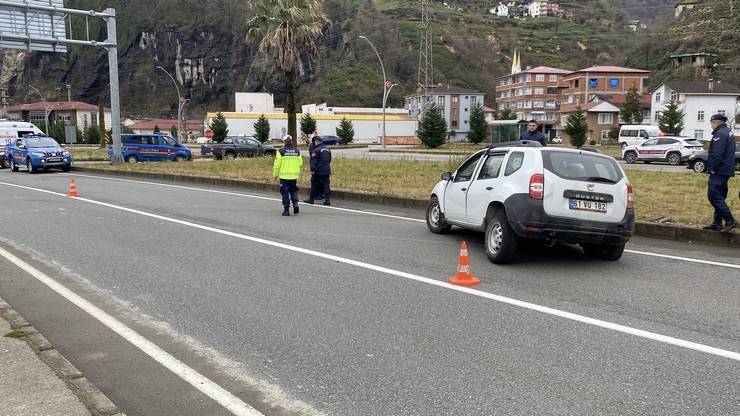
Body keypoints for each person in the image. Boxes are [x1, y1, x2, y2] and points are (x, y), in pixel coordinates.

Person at [703, 114, 736, 233]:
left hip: (719, 170)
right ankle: (717, 222)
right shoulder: (728, 132)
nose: (711, 126)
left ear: (715, 122)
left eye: (711, 123)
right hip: (726, 170)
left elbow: (717, 154)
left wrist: (711, 168)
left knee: (713, 195)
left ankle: (730, 220)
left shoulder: (720, 134)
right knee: (720, 195)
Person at [273, 135, 303, 216]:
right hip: (294, 176)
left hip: (284, 176)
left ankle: (286, 210)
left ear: (284, 142)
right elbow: (300, 163)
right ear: (292, 141)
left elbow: (277, 165)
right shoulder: (297, 151)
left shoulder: (281, 151)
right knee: (293, 190)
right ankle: (296, 203)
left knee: (285, 193)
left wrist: (275, 174)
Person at [304, 135, 332, 206]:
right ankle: (327, 200)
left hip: (318, 170)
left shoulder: (316, 150)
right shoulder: (328, 150)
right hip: (327, 170)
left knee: (314, 184)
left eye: (314, 142)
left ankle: (311, 199)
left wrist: (313, 170)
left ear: (316, 142)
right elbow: (329, 160)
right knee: (326, 185)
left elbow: (313, 161)